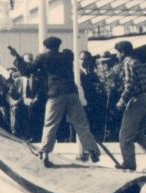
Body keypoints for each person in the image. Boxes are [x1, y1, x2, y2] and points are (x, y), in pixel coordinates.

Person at [11, 37, 101, 167]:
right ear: (58, 46)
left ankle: (45, 153)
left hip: (55, 94)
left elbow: (26, 70)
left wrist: (17, 57)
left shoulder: (42, 57)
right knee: (81, 124)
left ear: (46, 47)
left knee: (50, 124)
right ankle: (92, 151)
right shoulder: (66, 57)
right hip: (72, 93)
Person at [114, 41, 146, 172]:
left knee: (125, 136)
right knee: (137, 134)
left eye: (117, 53)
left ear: (122, 52)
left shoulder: (128, 63)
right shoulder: (138, 62)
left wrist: (122, 101)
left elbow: (129, 84)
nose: (117, 56)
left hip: (137, 100)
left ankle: (129, 163)